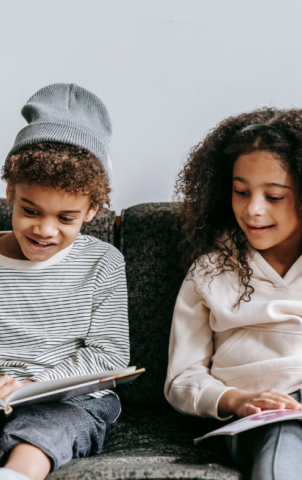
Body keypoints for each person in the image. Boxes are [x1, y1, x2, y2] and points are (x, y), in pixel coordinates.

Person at [0, 84, 129, 480]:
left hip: (70, 398)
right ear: (9, 193)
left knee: (42, 433)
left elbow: (109, 356)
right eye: (31, 210)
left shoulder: (103, 261)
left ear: (92, 209)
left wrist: (34, 382)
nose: (44, 230)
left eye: (66, 218)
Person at [165, 108, 302, 479]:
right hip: (260, 417)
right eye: (241, 192)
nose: (252, 210)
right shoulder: (210, 271)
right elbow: (182, 378)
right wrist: (237, 400)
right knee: (284, 433)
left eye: (273, 196)